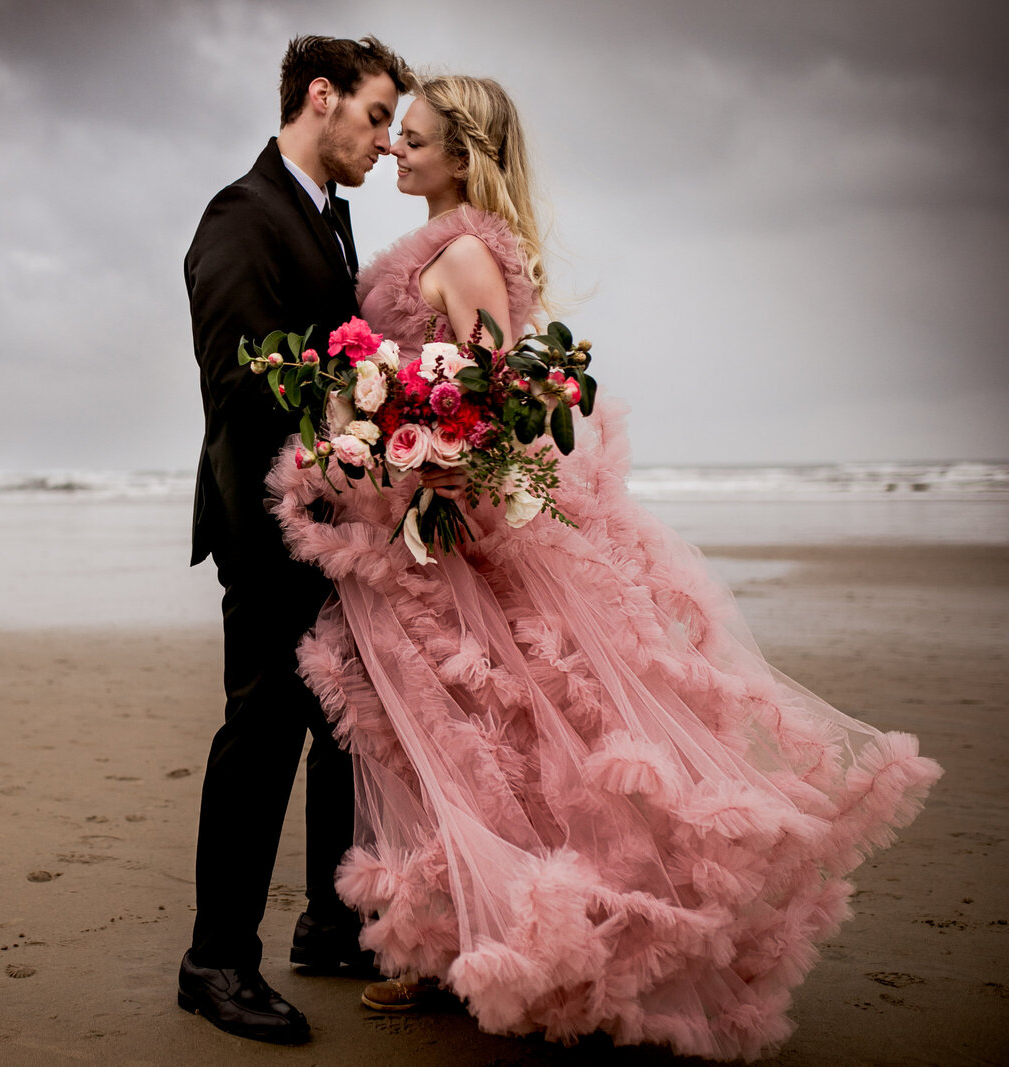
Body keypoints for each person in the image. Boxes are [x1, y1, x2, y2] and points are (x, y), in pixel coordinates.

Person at [263, 75, 943, 1061]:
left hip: (454, 530)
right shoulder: (440, 247)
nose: (397, 153)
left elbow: (489, 405)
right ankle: (470, 939)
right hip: (409, 515)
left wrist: (410, 437)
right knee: (443, 736)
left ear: (461, 155)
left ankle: (539, 931)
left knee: (486, 732)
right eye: (395, 137)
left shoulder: (461, 257)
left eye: (414, 141)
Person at [177, 34, 415, 1046]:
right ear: (321, 98)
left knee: (343, 717)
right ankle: (214, 961)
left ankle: (329, 918)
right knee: (263, 724)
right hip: (265, 520)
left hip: (330, 524)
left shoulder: (331, 219)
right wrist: (354, 399)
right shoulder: (241, 214)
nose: (383, 141)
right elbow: (238, 381)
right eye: (373, 116)